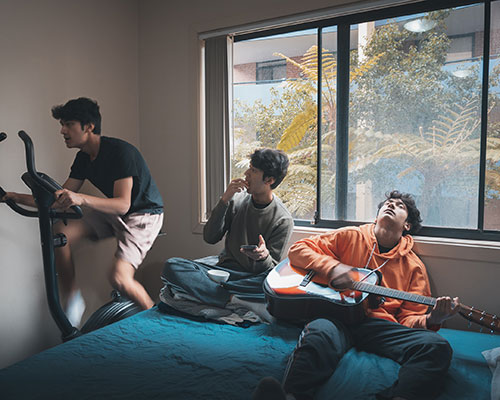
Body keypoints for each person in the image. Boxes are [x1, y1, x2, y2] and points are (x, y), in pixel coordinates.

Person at [253, 190, 459, 400]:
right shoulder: (351, 236)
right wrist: (332, 268)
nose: (390, 205)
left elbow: (407, 319)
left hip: (378, 327)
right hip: (336, 316)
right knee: (318, 333)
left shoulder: (414, 267)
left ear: (407, 225)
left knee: (437, 346)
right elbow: (298, 250)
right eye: (387, 203)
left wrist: (432, 319)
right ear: (377, 215)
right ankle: (291, 396)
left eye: (399, 206)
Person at [2, 97, 164, 325]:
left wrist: (81, 199)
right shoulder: (83, 158)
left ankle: (158, 324)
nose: (62, 130)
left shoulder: (120, 151)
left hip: (144, 215)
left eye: (68, 124)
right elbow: (58, 200)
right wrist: (13, 196)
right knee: (61, 236)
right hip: (116, 211)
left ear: (88, 126)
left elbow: (123, 204)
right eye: (62, 124)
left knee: (119, 278)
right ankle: (73, 297)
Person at [162, 148, 293, 322]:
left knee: (275, 284)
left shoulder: (283, 219)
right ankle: (234, 300)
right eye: (249, 168)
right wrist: (224, 201)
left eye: (253, 170)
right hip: (224, 270)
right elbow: (210, 237)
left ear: (269, 180)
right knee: (172, 266)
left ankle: (211, 293)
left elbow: (271, 268)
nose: (246, 174)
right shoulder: (236, 201)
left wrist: (263, 256)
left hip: (251, 279)